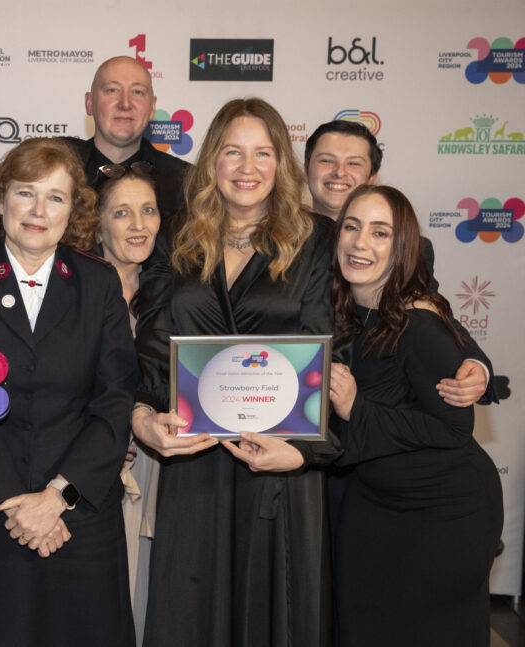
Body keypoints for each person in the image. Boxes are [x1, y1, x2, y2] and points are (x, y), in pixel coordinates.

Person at [132, 98, 339, 647]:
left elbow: (331, 350)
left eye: (263, 153)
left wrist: (305, 452)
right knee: (189, 615)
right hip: (194, 458)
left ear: (281, 164)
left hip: (279, 461)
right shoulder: (174, 234)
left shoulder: (317, 239)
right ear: (210, 162)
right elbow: (154, 345)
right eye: (233, 152)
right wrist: (141, 415)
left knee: (272, 616)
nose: (248, 168)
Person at [0, 137, 137, 647]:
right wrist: (20, 508)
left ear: (75, 211)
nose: (38, 211)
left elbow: (113, 401)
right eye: (25, 193)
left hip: (78, 519)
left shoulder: (98, 284)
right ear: (0, 200)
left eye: (56, 197)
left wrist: (57, 498)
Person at [326, 185, 502, 646]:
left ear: (402, 247)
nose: (361, 243)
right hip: (377, 506)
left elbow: (453, 427)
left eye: (380, 233)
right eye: (352, 227)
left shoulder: (417, 321)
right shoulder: (351, 311)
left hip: (440, 518)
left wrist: (355, 408)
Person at [304, 120, 496, 405]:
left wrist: (475, 363)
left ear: (372, 177)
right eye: (326, 160)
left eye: (353, 163)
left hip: (370, 410)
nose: (339, 172)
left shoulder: (410, 247)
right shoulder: (275, 244)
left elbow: (428, 312)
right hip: (295, 399)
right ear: (306, 168)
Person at [91, 164, 161, 642]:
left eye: (148, 210)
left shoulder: (171, 291)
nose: (138, 224)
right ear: (97, 223)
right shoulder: (73, 287)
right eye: (122, 212)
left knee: (147, 589)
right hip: (91, 462)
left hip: (157, 462)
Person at [61, 56, 191, 222]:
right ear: (90, 102)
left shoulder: (185, 184)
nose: (125, 104)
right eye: (112, 90)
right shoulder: (57, 171)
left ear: (152, 107)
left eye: (137, 92)